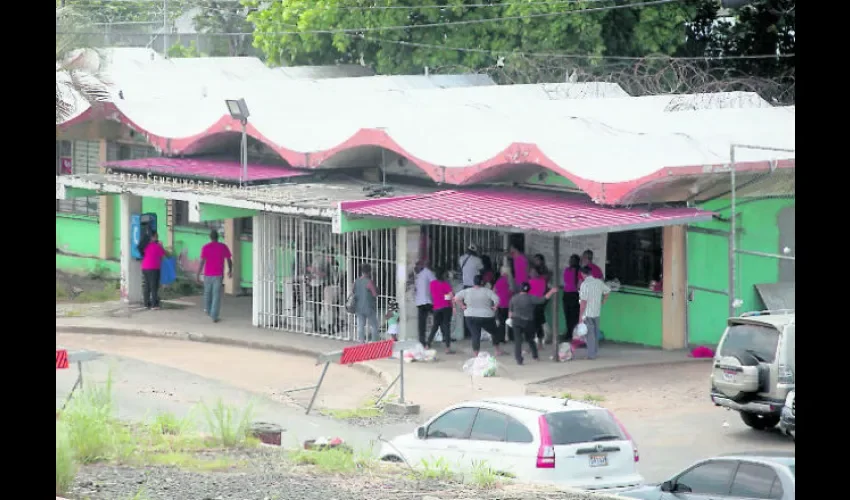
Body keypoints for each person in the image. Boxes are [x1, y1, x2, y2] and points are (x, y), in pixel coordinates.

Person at [509, 282, 558, 365]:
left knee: (518, 341)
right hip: (528, 322)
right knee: (530, 340)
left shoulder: (513, 298)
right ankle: (535, 356)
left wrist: (511, 319)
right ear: (529, 289)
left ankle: (519, 359)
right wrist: (552, 291)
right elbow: (543, 299)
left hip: (516, 321)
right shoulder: (531, 298)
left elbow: (510, 313)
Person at [453, 275, 499, 357]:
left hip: (470, 316)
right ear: (482, 282)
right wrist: (495, 307)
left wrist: (462, 306)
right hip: (486, 316)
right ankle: (497, 350)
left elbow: (456, 298)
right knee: (495, 332)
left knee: (475, 335)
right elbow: (497, 299)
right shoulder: (487, 291)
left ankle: (476, 355)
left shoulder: (466, 291)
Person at [196, 229, 232, 323]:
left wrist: (198, 274)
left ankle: (207, 310)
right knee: (216, 295)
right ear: (218, 237)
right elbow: (229, 259)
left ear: (210, 237)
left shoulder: (205, 247)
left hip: (207, 274)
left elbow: (202, 262)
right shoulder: (223, 247)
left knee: (207, 293)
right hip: (218, 274)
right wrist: (230, 270)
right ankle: (214, 316)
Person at [578, 265, 611, 360]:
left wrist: (580, 316)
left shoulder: (584, 285)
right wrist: (603, 301)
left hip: (587, 313)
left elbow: (583, 302)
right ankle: (594, 352)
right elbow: (608, 291)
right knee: (595, 333)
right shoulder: (598, 282)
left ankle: (591, 355)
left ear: (583, 274)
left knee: (590, 335)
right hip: (596, 311)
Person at [458, 244, 484, 339]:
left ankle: (467, 331)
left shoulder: (461, 259)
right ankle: (475, 331)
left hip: (465, 287)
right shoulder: (477, 260)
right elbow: (482, 271)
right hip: (475, 287)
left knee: (466, 309)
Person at [427, 268, 455, 353]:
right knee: (446, 326)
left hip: (436, 308)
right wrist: (453, 307)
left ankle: (427, 344)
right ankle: (447, 348)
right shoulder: (446, 284)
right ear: (444, 275)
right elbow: (451, 296)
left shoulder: (432, 284)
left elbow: (433, 295)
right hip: (446, 307)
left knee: (435, 326)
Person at [140, 231, 168, 310]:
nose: (157, 238)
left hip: (145, 267)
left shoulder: (145, 246)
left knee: (147, 285)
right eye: (156, 236)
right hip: (153, 268)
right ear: (153, 237)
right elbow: (165, 254)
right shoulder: (157, 246)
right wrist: (161, 246)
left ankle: (146, 304)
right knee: (154, 286)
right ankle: (154, 305)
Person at [353, 264, 379, 343]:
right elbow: (374, 294)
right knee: (374, 325)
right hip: (369, 307)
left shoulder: (357, 281)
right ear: (369, 272)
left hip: (359, 306)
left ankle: (361, 342)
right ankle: (374, 342)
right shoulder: (369, 282)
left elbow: (353, 291)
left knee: (360, 325)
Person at [414, 261, 436, 346]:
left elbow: (434, 283)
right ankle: (422, 341)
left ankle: (441, 337)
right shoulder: (418, 275)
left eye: (417, 266)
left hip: (428, 301)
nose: (416, 268)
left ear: (422, 265)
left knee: (437, 320)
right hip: (420, 302)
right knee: (422, 324)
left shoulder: (427, 272)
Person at [493, 265, 514, 350]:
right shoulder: (511, 281)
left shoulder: (500, 280)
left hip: (500, 304)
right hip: (509, 304)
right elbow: (512, 291)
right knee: (510, 321)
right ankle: (511, 337)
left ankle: (501, 338)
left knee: (501, 323)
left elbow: (494, 290)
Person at [561, 254, 582, 341]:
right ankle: (570, 333)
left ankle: (572, 333)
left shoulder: (578, 271)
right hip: (570, 294)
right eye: (570, 260)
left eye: (572, 260)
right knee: (570, 315)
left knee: (572, 315)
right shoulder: (571, 270)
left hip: (572, 294)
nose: (570, 262)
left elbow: (567, 281)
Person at [528, 268, 548, 348]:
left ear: (537, 273)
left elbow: (542, 291)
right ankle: (534, 341)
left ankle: (539, 342)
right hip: (531, 304)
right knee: (533, 323)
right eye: (531, 272)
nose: (532, 274)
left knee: (538, 323)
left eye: (534, 272)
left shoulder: (541, 281)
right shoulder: (529, 282)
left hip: (538, 304)